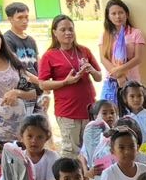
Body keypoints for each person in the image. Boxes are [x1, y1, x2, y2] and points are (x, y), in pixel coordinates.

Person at [35, 15, 101, 156]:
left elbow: (99, 77)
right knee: (71, 150)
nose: (68, 33)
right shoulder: (49, 56)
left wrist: (91, 70)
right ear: (54, 32)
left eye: (70, 29)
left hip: (89, 108)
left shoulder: (84, 51)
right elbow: (42, 84)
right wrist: (65, 82)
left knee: (92, 148)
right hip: (68, 111)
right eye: (63, 29)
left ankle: (89, 177)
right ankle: (71, 178)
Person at [99, 0, 146, 104]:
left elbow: (138, 58)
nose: (118, 16)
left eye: (121, 12)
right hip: (112, 82)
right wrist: (118, 75)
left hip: (131, 82)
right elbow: (103, 58)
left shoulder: (136, 33)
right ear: (108, 16)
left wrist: (120, 70)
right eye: (114, 13)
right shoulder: (105, 35)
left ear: (127, 14)